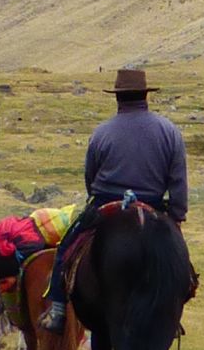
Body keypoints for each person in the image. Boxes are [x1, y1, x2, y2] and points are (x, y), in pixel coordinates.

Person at [40, 68, 187, 333]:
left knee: (66, 249)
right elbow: (178, 181)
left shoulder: (101, 133)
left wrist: (95, 202)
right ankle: (173, 315)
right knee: (182, 266)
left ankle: (59, 311)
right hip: (152, 205)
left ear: (118, 98)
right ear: (145, 95)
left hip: (105, 202)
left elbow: (90, 176)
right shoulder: (169, 131)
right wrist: (176, 215)